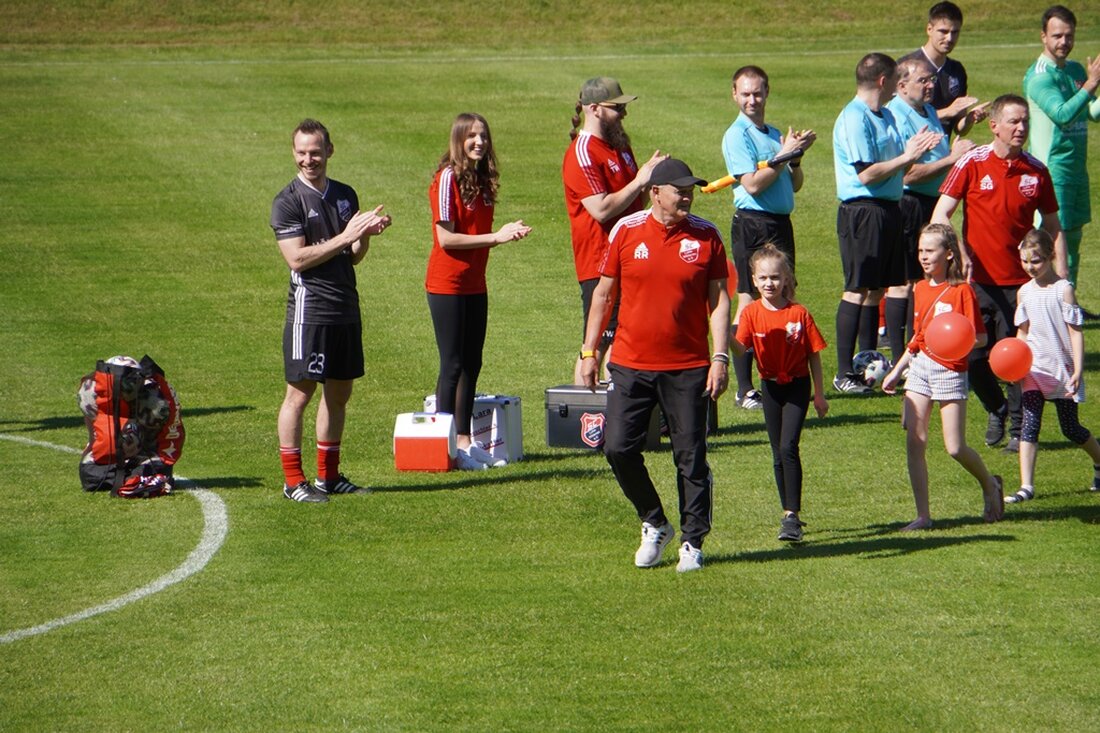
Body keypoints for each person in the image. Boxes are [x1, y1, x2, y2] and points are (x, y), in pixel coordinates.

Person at [579, 158, 730, 573]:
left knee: (691, 456)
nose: (687, 195)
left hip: (688, 366)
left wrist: (719, 356)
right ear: (655, 193)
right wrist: (590, 351)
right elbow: (603, 295)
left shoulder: (706, 236)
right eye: (679, 189)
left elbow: (718, 300)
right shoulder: (625, 232)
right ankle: (654, 520)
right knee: (617, 448)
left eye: (690, 189)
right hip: (630, 363)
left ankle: (693, 542)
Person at [933, 94, 1068, 453]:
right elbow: (940, 214)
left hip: (1023, 284)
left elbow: (1054, 226)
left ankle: (1019, 429)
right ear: (994, 126)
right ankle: (996, 408)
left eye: (1025, 121)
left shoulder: (1036, 171)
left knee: (1016, 357)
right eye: (1014, 121)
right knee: (974, 357)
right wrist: (959, 253)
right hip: (977, 283)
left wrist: (1062, 278)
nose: (1021, 128)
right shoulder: (972, 164)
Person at [270, 119, 390, 503]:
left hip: (344, 308)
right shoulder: (287, 201)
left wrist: (365, 236)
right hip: (311, 313)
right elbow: (297, 259)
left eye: (316, 152)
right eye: (302, 153)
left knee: (339, 394)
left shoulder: (344, 194)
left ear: (330, 151)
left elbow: (351, 257)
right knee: (299, 395)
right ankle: (293, 481)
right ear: (294, 153)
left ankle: (329, 477)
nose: (309, 160)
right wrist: (345, 236)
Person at [832, 52, 942, 394]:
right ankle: (843, 372)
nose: (899, 87)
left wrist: (913, 151)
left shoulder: (883, 116)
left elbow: (893, 162)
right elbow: (866, 173)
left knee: (877, 288)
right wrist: (908, 157)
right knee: (857, 288)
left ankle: (866, 362)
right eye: (896, 80)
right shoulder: (854, 118)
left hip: (888, 209)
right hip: (863, 211)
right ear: (884, 81)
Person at [427, 113, 532, 471]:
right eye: (472, 136)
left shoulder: (482, 180)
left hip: (475, 284)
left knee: (473, 362)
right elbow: (446, 238)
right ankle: (444, 448)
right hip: (447, 286)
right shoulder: (447, 179)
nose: (479, 142)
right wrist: (496, 237)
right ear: (458, 139)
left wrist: (505, 233)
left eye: (484, 136)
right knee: (453, 364)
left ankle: (466, 442)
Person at [882, 224, 1003, 529]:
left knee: (955, 447)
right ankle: (923, 515)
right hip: (921, 367)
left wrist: (954, 342)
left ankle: (990, 484)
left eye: (930, 251)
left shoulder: (962, 291)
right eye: (921, 251)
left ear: (949, 254)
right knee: (915, 440)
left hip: (950, 371)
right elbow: (919, 336)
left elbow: (980, 338)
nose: (923, 257)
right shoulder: (920, 289)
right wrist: (897, 371)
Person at [721, 65, 816, 410]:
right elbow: (752, 184)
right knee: (750, 298)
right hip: (753, 223)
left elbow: (793, 184)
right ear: (734, 95)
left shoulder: (775, 133)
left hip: (780, 222)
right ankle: (744, 387)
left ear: (767, 92)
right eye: (745, 93)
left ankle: (780, 372)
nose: (752, 100)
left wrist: (795, 158)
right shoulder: (737, 136)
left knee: (782, 293)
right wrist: (782, 154)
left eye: (757, 92)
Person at [563, 77, 666, 383]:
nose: (624, 114)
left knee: (628, 339)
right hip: (600, 263)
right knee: (595, 346)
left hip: (633, 256)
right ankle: (585, 419)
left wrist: (651, 182)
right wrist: (640, 180)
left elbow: (636, 199)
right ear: (593, 109)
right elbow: (601, 208)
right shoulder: (582, 153)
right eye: (617, 107)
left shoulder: (619, 146)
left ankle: (617, 418)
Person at [882, 54, 977, 361]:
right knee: (906, 281)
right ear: (901, 84)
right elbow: (907, 173)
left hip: (932, 202)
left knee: (927, 279)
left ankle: (924, 347)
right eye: (923, 80)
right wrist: (953, 159)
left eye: (932, 80)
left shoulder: (926, 111)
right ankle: (902, 356)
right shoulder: (898, 114)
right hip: (910, 204)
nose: (930, 86)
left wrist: (959, 136)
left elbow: (937, 155)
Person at [733, 244, 828, 542]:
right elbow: (741, 348)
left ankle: (792, 516)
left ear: (786, 278)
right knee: (777, 452)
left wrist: (820, 394)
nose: (769, 283)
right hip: (770, 387)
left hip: (798, 386)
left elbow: (814, 354)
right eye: (763, 278)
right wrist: (724, 334)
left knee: (788, 447)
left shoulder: (798, 314)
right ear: (754, 279)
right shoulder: (750, 313)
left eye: (775, 277)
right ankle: (788, 512)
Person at [1009, 228, 1100, 503]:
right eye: (1025, 261)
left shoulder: (1064, 290)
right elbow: (1022, 333)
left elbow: (1075, 332)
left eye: (1035, 261)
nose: (1029, 267)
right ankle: (1027, 486)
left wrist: (1078, 369)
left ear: (1050, 256)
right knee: (1029, 424)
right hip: (1034, 370)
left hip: (1062, 370)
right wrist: (1015, 364)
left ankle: (1099, 461)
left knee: (1070, 429)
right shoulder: (1024, 292)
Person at [1023, 5, 1100, 289]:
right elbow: (1062, 113)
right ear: (1043, 36)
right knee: (1054, 240)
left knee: (1075, 237)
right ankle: (1050, 301)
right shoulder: (1040, 75)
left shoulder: (1076, 70)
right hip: (1052, 170)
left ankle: (1071, 301)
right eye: (1057, 35)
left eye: (1069, 36)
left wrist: (1092, 88)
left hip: (1076, 169)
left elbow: (1090, 113)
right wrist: (1091, 85)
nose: (1063, 42)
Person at [917, 2, 989, 136]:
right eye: (943, 31)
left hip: (943, 154)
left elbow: (959, 129)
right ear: (929, 29)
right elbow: (902, 119)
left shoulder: (957, 70)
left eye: (955, 32)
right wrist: (947, 112)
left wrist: (968, 120)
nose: (949, 38)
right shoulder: (907, 67)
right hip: (912, 154)